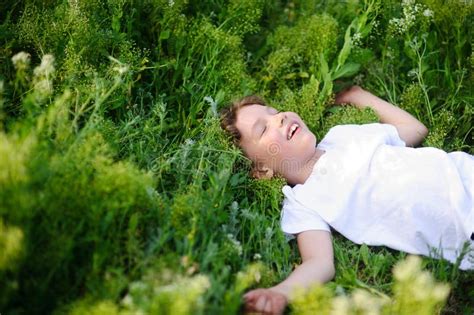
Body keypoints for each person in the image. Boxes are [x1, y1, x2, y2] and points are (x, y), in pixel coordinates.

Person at [219, 86, 474, 315]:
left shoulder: (343, 136)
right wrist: (281, 292)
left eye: (273, 111)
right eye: (263, 129)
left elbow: (415, 130)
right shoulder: (302, 201)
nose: (279, 117)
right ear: (263, 171)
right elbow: (319, 263)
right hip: (461, 223)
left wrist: (358, 95)